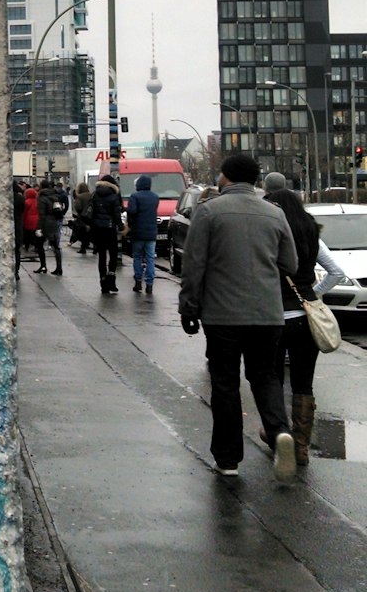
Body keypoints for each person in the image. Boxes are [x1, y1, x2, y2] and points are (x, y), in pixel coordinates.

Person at [178, 152, 298, 481]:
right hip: (268, 314)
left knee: (226, 384)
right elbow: (291, 265)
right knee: (265, 377)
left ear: (224, 176)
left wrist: (189, 306)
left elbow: (193, 265)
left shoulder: (209, 212)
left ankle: (228, 459)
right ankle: (279, 431)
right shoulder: (274, 213)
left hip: (222, 316)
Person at [262, 172, 332, 467]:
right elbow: (335, 272)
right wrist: (311, 294)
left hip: (272, 317)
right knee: (303, 383)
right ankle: (302, 446)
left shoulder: (269, 231)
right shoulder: (310, 231)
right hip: (305, 317)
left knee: (272, 378)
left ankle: (277, 433)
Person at [126, 173, 159, 296]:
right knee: (150, 258)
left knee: (138, 257)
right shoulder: (155, 197)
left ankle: (138, 281)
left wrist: (130, 224)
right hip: (151, 232)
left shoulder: (135, 197)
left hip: (138, 232)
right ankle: (149, 284)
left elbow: (132, 212)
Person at [89, 173, 123, 294]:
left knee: (101, 256)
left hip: (98, 229)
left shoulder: (95, 195)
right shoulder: (114, 196)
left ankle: (103, 283)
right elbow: (117, 214)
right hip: (110, 229)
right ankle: (111, 280)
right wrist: (121, 226)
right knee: (113, 255)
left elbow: (91, 213)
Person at [37, 177, 69, 276]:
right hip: (54, 222)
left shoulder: (41, 198)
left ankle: (43, 266)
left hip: (46, 222)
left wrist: (39, 227)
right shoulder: (55, 197)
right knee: (56, 246)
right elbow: (59, 210)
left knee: (39, 244)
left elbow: (41, 213)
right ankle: (59, 268)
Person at [22, 182, 46, 271]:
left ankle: (27, 245)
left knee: (28, 235)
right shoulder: (38, 201)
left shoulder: (26, 202)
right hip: (38, 222)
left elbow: (24, 214)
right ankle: (36, 246)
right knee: (38, 240)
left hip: (29, 222)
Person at [69, 182, 92, 251]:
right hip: (91, 216)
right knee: (91, 232)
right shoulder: (91, 195)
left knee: (82, 232)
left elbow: (78, 207)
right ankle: (95, 247)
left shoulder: (79, 196)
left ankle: (83, 248)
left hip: (83, 216)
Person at [12, 180, 26, 280]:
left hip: (10, 226)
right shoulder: (20, 198)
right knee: (17, 251)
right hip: (18, 226)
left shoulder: (7, 198)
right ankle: (16, 271)